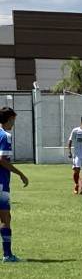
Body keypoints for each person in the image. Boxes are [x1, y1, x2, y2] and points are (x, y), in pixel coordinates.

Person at [0, 107, 29, 263]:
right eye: (13, 120)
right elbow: (2, 160)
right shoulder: (6, 136)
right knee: (5, 218)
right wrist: (20, 174)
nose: (14, 124)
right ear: (9, 119)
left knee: (7, 217)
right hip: (1, 183)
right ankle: (7, 255)